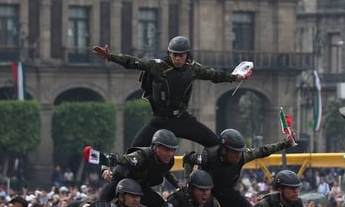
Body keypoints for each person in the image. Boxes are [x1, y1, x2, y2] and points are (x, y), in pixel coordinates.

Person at [93, 35, 248, 148]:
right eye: (174, 55)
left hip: (182, 119)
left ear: (187, 55)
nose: (177, 58)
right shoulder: (159, 66)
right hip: (160, 121)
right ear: (169, 54)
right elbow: (135, 62)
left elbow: (215, 75)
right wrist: (111, 57)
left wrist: (236, 77)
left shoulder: (193, 68)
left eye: (181, 55)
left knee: (214, 143)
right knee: (134, 151)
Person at [182, 128, 296, 207]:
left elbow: (263, 150)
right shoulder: (208, 157)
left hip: (226, 193)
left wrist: (286, 143)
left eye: (240, 152)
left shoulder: (243, 156)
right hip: (205, 193)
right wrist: (187, 185)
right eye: (234, 152)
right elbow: (188, 159)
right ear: (224, 150)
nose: (238, 156)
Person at [99, 129, 180, 207]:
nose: (170, 154)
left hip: (141, 187)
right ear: (155, 147)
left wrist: (178, 184)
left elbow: (166, 172)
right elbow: (109, 158)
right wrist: (105, 169)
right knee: (99, 206)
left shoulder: (167, 161)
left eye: (172, 150)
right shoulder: (139, 157)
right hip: (120, 184)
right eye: (166, 150)